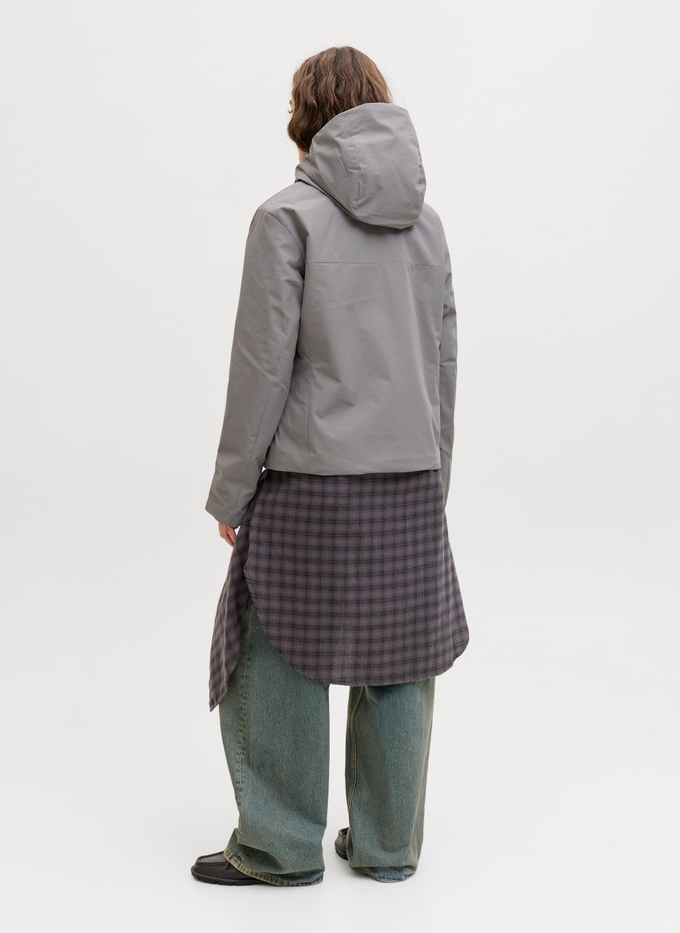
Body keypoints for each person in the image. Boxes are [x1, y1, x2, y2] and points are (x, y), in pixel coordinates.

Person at [191, 46, 469, 887]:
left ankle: (278, 847)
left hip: (310, 478)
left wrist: (232, 490)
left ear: (304, 116)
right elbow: (443, 361)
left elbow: (261, 367)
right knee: (400, 656)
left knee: (276, 653)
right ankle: (388, 846)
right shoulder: (427, 224)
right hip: (410, 476)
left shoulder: (286, 217)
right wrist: (434, 478)